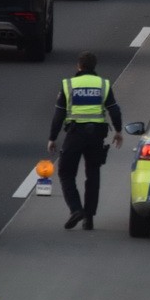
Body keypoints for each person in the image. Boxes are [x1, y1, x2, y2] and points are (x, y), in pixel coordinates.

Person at [47, 51, 122, 230]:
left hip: (75, 134)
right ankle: (89, 218)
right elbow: (114, 109)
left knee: (66, 173)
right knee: (93, 174)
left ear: (79, 66)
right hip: (96, 135)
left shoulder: (69, 84)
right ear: (94, 66)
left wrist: (52, 138)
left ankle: (75, 209)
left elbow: (59, 115)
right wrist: (118, 131)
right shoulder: (103, 84)